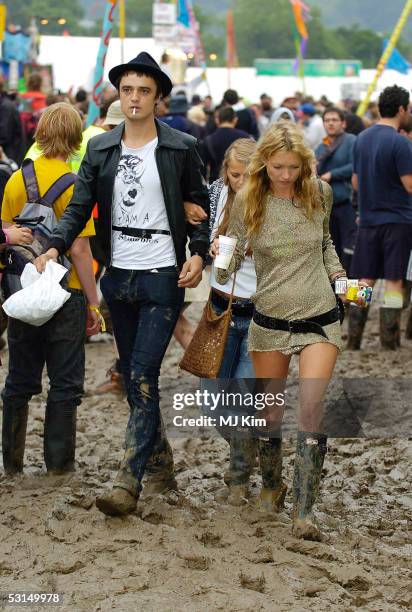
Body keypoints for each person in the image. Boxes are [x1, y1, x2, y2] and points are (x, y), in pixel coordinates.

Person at [36, 52, 210, 516]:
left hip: (162, 274)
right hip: (118, 276)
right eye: (127, 89)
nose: (134, 98)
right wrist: (54, 244)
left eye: (143, 91)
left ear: (158, 99)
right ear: (120, 94)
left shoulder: (180, 146)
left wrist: (197, 252)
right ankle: (160, 464)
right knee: (134, 380)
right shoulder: (100, 148)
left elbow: (200, 206)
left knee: (142, 376)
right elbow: (79, 207)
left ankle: (126, 482)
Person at [215, 122, 346, 540]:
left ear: (304, 165)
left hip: (319, 316)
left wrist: (340, 278)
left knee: (310, 407)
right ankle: (272, 486)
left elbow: (325, 244)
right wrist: (219, 256)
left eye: (293, 168)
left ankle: (304, 513)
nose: (286, 176)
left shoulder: (319, 193)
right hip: (269, 318)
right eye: (278, 167)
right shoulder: (248, 200)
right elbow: (230, 258)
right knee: (268, 411)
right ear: (264, 165)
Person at [1, 102, 100, 476]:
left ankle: (11, 464)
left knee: (19, 381)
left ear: (40, 134)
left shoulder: (15, 179)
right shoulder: (75, 186)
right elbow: (79, 249)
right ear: (76, 140)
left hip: (21, 291)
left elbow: (7, 235)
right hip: (64, 293)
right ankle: (58, 467)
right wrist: (93, 302)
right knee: (65, 383)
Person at [208, 138, 259, 505]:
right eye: (234, 173)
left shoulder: (273, 203)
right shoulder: (216, 195)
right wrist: (206, 246)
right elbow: (195, 232)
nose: (239, 181)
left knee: (244, 398)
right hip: (218, 310)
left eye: (247, 175)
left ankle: (239, 476)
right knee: (211, 401)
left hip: (258, 313)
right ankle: (250, 448)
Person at [349, 85, 412, 350]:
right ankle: (389, 340)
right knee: (394, 281)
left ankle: (353, 338)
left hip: (368, 218)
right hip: (398, 219)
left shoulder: (361, 138)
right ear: (401, 109)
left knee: (363, 279)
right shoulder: (401, 143)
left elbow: (354, 182)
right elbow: (410, 186)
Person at [316, 107, 357, 272]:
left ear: (343, 123)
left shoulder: (351, 141)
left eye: (334, 120)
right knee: (333, 251)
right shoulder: (322, 145)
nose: (330, 123)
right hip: (326, 207)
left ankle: (350, 293)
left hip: (346, 203)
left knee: (349, 251)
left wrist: (332, 174)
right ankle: (337, 292)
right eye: (327, 120)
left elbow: (355, 166)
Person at [201, 106, 250, 182]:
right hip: (241, 181)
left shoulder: (208, 140)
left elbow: (202, 168)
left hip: (216, 182)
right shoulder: (246, 137)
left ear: (217, 120)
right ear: (235, 120)